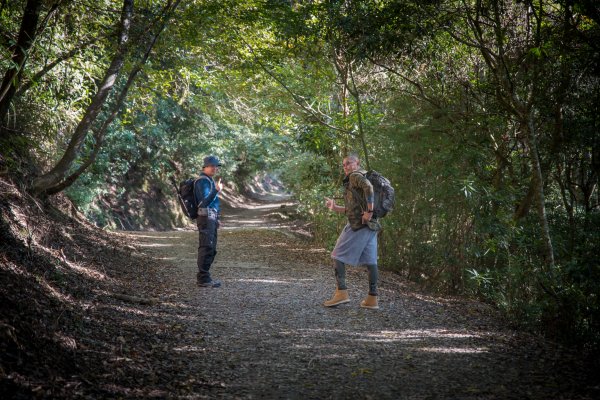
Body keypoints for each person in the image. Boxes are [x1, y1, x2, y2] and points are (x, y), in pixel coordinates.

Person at [324, 153, 379, 309]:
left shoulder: (355, 176)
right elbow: (354, 209)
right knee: (371, 261)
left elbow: (368, 187)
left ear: (357, 163)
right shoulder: (360, 176)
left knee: (337, 255)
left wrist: (369, 210)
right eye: (344, 165)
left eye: (349, 163)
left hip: (359, 225)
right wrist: (336, 208)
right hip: (371, 225)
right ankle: (372, 299)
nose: (346, 167)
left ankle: (342, 293)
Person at [195, 155, 224, 288]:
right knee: (206, 246)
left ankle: (205, 276)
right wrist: (216, 190)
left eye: (216, 166)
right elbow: (203, 202)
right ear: (205, 167)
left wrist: (217, 218)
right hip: (205, 217)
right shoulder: (202, 181)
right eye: (211, 166)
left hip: (211, 217)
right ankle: (203, 278)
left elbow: (213, 203)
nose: (214, 168)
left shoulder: (209, 180)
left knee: (211, 247)